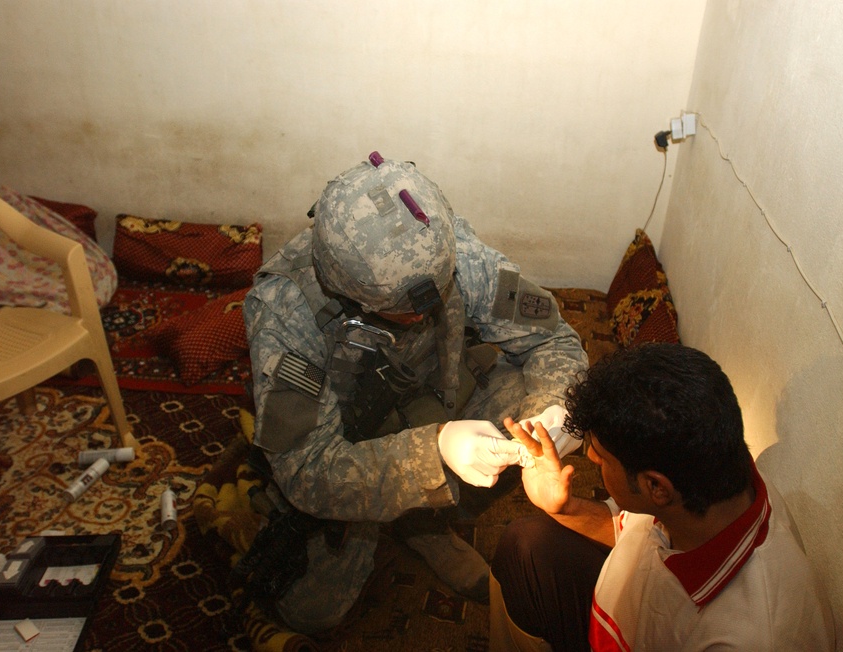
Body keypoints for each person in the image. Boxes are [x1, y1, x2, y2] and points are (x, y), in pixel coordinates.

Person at [242, 153, 588, 634]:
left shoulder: (455, 255)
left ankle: (425, 527)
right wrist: (435, 454)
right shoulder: (285, 309)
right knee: (315, 612)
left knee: (526, 415)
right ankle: (409, 511)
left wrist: (556, 411)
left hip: (438, 399)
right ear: (346, 290)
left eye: (433, 296)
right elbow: (306, 469)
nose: (421, 316)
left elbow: (552, 337)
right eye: (400, 311)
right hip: (352, 444)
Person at [490, 343, 835, 651]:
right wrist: (564, 507)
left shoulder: (750, 637)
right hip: (631, 618)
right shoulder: (711, 478)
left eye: (602, 457)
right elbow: (631, 533)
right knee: (524, 544)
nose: (591, 458)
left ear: (656, 488)